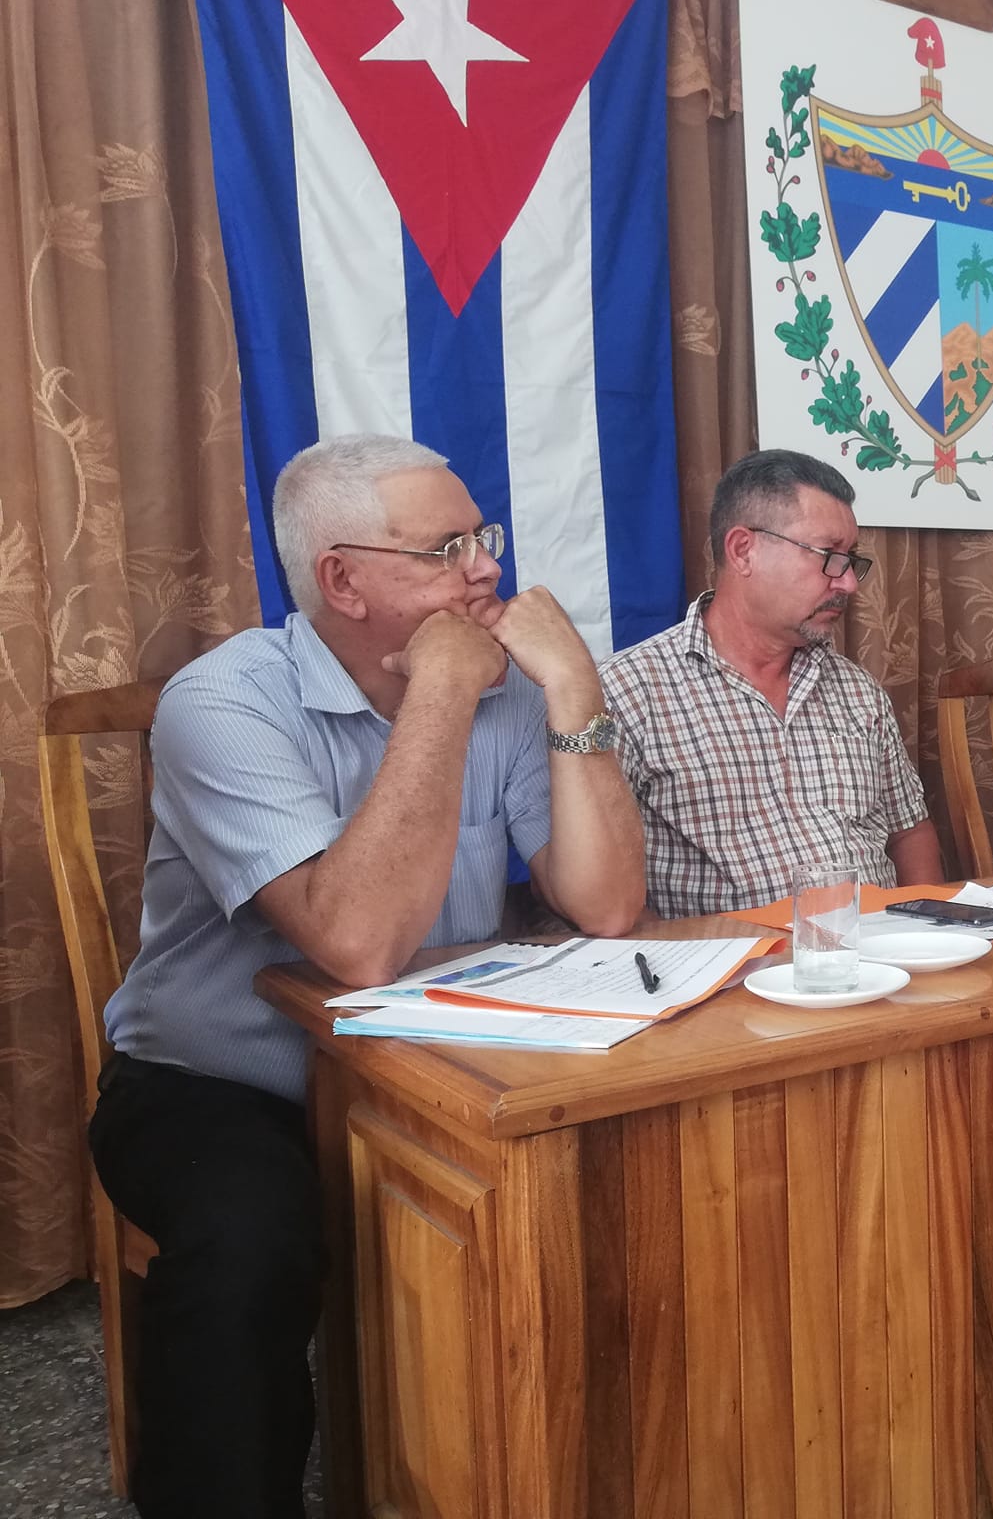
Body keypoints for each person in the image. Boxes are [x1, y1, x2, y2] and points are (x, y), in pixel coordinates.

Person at [89, 433, 645, 1519]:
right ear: (340, 580)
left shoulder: (514, 691)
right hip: (225, 1084)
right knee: (249, 1240)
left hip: (438, 1065)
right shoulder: (223, 703)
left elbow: (607, 905)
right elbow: (355, 945)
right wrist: (438, 689)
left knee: (630, 1173)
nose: (486, 569)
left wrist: (573, 682)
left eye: (482, 540)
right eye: (447, 549)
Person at [601, 449, 943, 914]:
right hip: (731, 972)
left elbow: (910, 830)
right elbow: (600, 895)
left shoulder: (857, 691)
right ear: (744, 550)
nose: (848, 584)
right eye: (829, 556)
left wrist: (925, 937)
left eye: (851, 560)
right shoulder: (628, 693)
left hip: (875, 958)